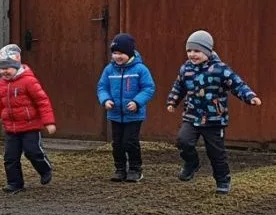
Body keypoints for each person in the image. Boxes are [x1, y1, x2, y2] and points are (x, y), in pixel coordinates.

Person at [165, 30, 262, 195]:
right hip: (192, 116)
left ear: (207, 51)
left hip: (214, 119)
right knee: (183, 140)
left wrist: (249, 96)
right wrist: (173, 100)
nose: (192, 55)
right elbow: (179, 86)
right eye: (189, 51)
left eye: (197, 51)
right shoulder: (185, 69)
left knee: (216, 152)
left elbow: (237, 84)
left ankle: (223, 180)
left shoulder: (220, 69)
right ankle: (191, 163)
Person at [0, 44, 56, 194]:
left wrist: (49, 122)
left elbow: (42, 101)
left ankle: (45, 169)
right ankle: (14, 183)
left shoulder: (28, 81)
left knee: (33, 152)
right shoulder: (1, 84)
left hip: (30, 125)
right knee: (10, 157)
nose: (4, 71)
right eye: (1, 68)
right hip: (11, 127)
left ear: (16, 65)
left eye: (7, 67)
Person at [96, 33, 156, 182]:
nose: (118, 56)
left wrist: (137, 102)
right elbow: (102, 87)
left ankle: (135, 169)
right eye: (115, 53)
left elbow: (148, 88)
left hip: (133, 114)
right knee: (117, 143)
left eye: (121, 53)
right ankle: (120, 169)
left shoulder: (140, 69)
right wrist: (106, 100)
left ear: (129, 53)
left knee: (129, 141)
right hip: (115, 114)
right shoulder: (109, 70)